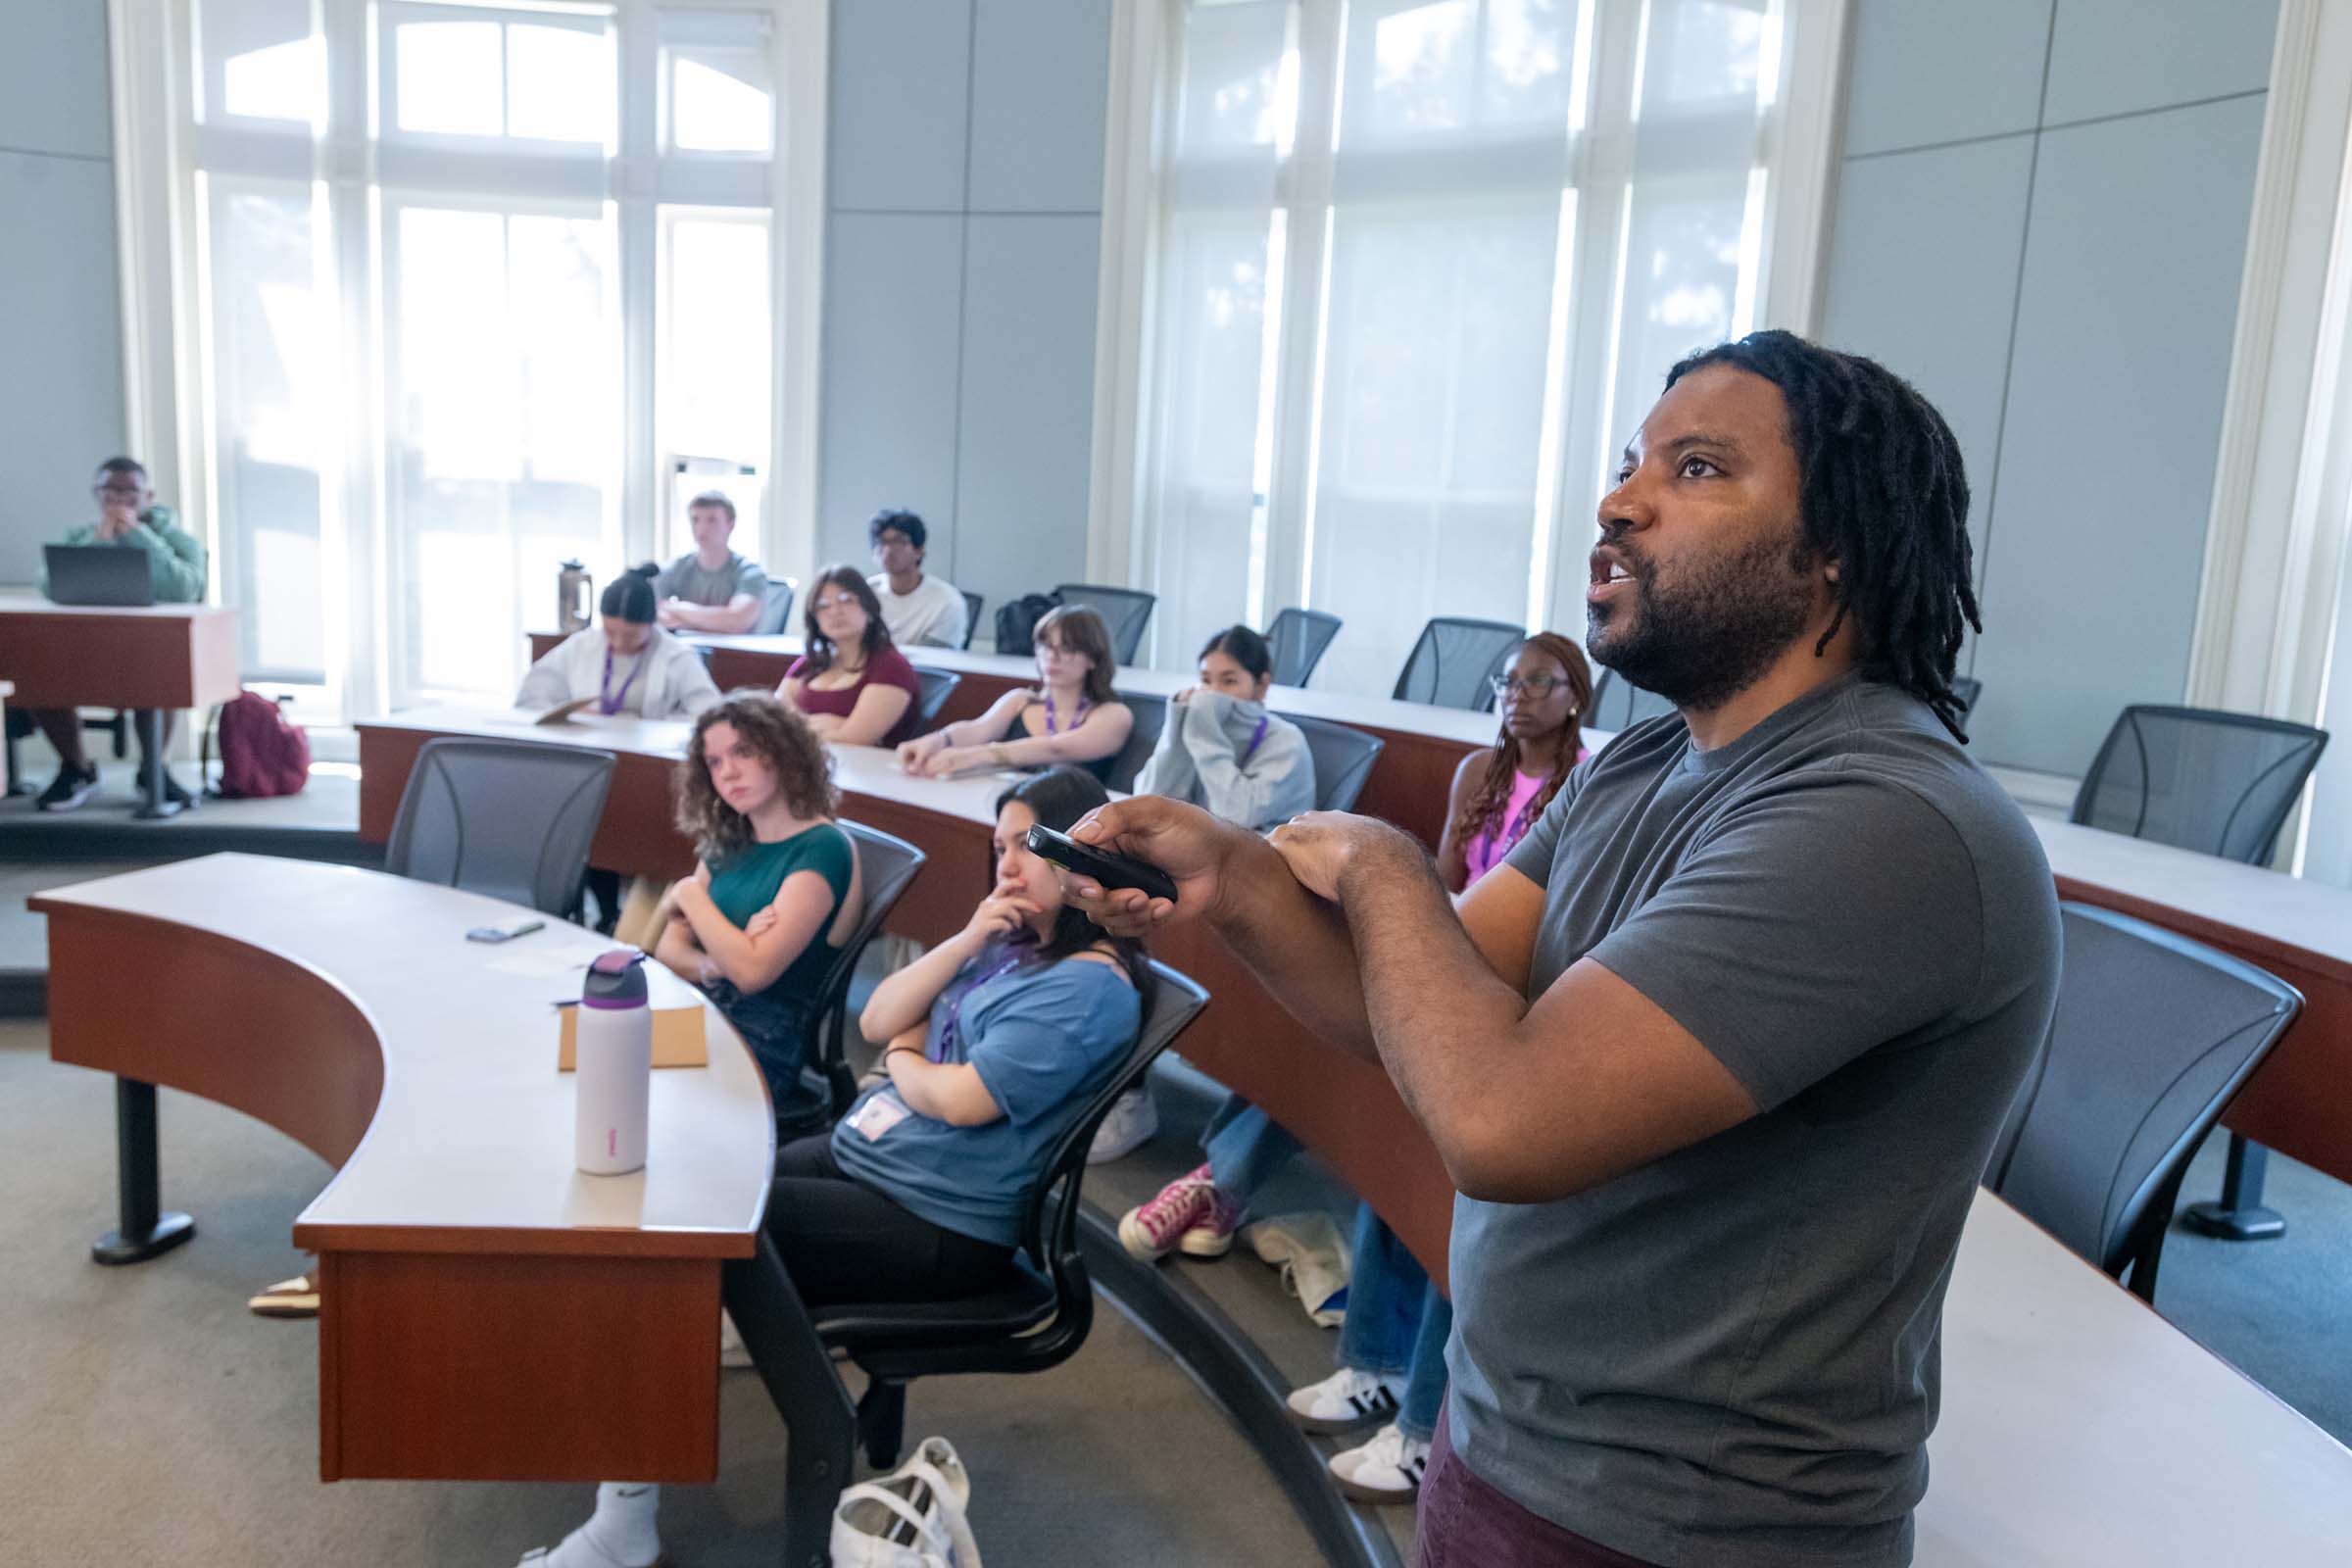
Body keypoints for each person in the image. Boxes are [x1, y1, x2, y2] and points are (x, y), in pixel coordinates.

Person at [1061, 331, 2062, 1567]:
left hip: (1690, 1526)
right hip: (1514, 1448)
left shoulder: (1881, 822)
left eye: (1695, 469)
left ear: (1833, 547)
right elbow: (1417, 999)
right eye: (1631, 461)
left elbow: (1501, 1123)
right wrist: (1241, 880)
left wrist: (1379, 858)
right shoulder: (1648, 760)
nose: (1618, 502)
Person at [519, 766, 1148, 1568]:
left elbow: (959, 1100)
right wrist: (964, 943)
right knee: (687, 1193)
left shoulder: (1089, 991)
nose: (1008, 867)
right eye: (999, 847)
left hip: (938, 1219)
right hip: (876, 1158)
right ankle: (655, 1436)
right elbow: (883, 1017)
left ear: (1084, 860)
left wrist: (908, 1061)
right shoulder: (1011, 944)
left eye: (1029, 846)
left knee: (682, 1243)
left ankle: (624, 1526)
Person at [1284, 631, 1593, 1503]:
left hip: (1529, 1012)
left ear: (1578, 695)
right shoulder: (1477, 775)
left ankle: (1423, 1427)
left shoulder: (1591, 786)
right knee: (1394, 1162)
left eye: (1542, 681)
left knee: (1453, 1201)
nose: (1519, 693)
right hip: (1468, 970)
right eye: (1510, 679)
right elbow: (1452, 887)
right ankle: (1375, 1364)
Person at [1091, 623, 1318, 1164]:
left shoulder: (1286, 743)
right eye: (1204, 680)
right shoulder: (1194, 724)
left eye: (1230, 682)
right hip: (1188, 885)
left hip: (1261, 895)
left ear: (1262, 687)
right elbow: (1146, 801)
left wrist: (1206, 736)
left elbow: (1234, 821)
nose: (1213, 694)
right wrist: (1176, 729)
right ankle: (1122, 1086)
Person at [652, 692, 862, 1115]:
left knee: (655, 1105)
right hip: (702, 1007)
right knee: (600, 1057)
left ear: (782, 753)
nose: (728, 773)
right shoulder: (725, 839)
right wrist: (718, 963)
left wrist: (691, 896)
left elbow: (752, 973)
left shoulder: (822, 848)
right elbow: (668, 952)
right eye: (714, 763)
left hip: (767, 1037)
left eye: (742, 753)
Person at [23, 457, 209, 811]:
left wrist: (137, 535)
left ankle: (154, 768)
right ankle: (76, 768)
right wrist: (100, 540)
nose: (119, 499)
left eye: (130, 492)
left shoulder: (179, 541)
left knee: (161, 670)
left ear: (148, 495)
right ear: (97, 494)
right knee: (36, 668)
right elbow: (51, 585)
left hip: (147, 649)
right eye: (110, 491)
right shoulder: (79, 537)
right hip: (81, 647)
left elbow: (185, 587)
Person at [896, 605, 1132, 782]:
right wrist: (937, 740)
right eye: (1045, 646)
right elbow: (979, 728)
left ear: (1093, 657)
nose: (1052, 657)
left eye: (1067, 649)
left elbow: (1057, 747)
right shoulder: (1020, 700)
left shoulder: (1113, 714)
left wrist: (977, 756)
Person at [516, 565, 722, 721]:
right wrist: (573, 716)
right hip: (588, 745)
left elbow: (709, 714)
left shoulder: (676, 655)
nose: (618, 642)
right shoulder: (581, 645)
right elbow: (532, 696)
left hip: (647, 758)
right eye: (610, 631)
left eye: (631, 635)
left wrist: (656, 725)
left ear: (651, 625)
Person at [777, 565, 927, 748]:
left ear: (869, 609)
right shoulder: (810, 663)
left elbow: (855, 739)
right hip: (810, 764)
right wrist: (833, 726)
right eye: (823, 606)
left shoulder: (892, 667)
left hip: (871, 770)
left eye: (846, 600)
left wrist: (798, 725)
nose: (835, 611)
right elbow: (775, 721)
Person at [653, 491, 770, 634]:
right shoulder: (677, 567)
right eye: (695, 520)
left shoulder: (750, 572)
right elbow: (651, 612)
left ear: (730, 525)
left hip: (735, 654)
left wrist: (676, 608)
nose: (702, 528)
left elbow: (737, 620)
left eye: (712, 520)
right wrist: (713, 622)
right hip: (689, 651)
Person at [866, 508, 969, 649]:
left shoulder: (947, 601)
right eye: (882, 542)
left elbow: (935, 661)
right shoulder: (865, 593)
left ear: (919, 551)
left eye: (899, 542)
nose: (888, 550)